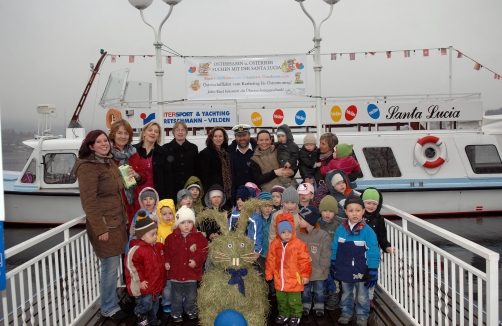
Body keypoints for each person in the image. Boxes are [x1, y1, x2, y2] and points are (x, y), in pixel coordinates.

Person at [73, 130, 128, 319]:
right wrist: (100, 229)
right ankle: (108, 307)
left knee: (113, 266)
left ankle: (112, 302)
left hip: (117, 222)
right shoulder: (88, 167)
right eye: (99, 141)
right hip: (106, 225)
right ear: (90, 146)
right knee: (110, 267)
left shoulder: (107, 161)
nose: (104, 144)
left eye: (106, 140)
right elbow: (88, 202)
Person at [330, 195, 380, 326]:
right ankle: (346, 313)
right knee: (346, 293)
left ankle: (362, 316)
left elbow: (373, 251)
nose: (354, 213)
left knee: (363, 296)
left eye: (358, 210)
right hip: (345, 269)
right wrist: (333, 262)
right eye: (351, 210)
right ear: (345, 212)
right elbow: (335, 247)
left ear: (363, 211)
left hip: (361, 270)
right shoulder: (341, 229)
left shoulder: (368, 231)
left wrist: (373, 269)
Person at [266, 213, 312, 326]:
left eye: (289, 232)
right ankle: (284, 313)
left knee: (294, 301)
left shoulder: (299, 245)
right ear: (278, 232)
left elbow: (305, 261)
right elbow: (270, 260)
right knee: (281, 299)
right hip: (279, 279)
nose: (287, 235)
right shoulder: (274, 244)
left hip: (294, 280)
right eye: (283, 232)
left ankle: (296, 315)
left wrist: (305, 275)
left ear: (293, 231)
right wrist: (269, 273)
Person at [164, 206, 208, 323]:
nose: (187, 225)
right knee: (177, 296)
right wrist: (167, 262)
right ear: (178, 223)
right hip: (176, 274)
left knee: (191, 296)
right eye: (183, 222)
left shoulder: (199, 237)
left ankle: (191, 310)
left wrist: (196, 260)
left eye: (189, 222)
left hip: (191, 273)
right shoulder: (170, 238)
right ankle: (176, 312)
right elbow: (166, 252)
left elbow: (203, 250)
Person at [125, 212, 166, 325]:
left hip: (155, 283)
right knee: (146, 304)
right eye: (152, 234)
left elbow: (159, 262)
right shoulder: (137, 249)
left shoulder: (156, 247)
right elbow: (131, 265)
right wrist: (140, 280)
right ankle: (140, 315)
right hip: (145, 284)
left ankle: (152, 320)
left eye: (155, 234)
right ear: (142, 236)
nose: (155, 237)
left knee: (154, 304)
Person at [109, 119, 147, 226]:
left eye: (126, 133)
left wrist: (137, 176)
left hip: (132, 201)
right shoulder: (107, 153)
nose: (123, 136)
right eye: (119, 133)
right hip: (116, 201)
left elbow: (144, 176)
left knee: (132, 233)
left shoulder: (134, 153)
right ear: (113, 134)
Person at [361, 187, 395, 308]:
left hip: (373, 253)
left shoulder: (379, 219)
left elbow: (382, 235)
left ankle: (369, 298)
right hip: (358, 251)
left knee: (371, 275)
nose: (371, 206)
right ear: (363, 203)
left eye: (374, 204)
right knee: (356, 274)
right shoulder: (358, 216)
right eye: (368, 203)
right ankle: (356, 297)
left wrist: (386, 246)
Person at [296, 205, 331, 317]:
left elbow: (326, 252)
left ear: (308, 220)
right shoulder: (297, 234)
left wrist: (324, 266)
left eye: (301, 219)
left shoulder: (323, 235)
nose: (298, 221)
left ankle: (319, 306)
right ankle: (306, 305)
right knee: (305, 290)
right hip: (303, 270)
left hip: (319, 269)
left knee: (319, 290)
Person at [134, 121, 173, 201]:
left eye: (156, 131)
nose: (153, 133)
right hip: (136, 195)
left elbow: (168, 179)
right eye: (150, 130)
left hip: (156, 196)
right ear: (144, 132)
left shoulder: (163, 152)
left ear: (158, 135)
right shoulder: (134, 150)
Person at [317, 195, 344, 311]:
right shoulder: (316, 223)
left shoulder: (338, 224)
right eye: (324, 211)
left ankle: (333, 295)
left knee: (333, 280)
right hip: (319, 258)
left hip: (333, 258)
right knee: (322, 279)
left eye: (331, 211)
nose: (327, 214)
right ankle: (323, 295)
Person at [163, 121, 198, 204]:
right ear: (173, 132)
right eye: (177, 130)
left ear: (186, 132)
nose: (180, 132)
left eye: (183, 130)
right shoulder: (165, 149)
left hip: (189, 188)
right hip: (171, 189)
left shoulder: (193, 148)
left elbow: (196, 168)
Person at [198, 127, 232, 207]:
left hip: (226, 191)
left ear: (224, 138)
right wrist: (208, 192)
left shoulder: (227, 153)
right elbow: (203, 176)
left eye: (220, 136)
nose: (218, 138)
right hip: (212, 193)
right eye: (215, 136)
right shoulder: (205, 153)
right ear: (211, 138)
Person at [156, 199, 176, 314]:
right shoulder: (159, 229)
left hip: (177, 259)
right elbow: (158, 245)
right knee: (167, 283)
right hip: (166, 260)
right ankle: (167, 301)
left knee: (178, 281)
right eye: (164, 214)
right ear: (160, 215)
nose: (168, 216)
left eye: (170, 213)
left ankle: (180, 299)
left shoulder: (177, 227)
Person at [228, 124, 257, 203]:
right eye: (239, 136)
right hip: (237, 197)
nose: (242, 138)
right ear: (235, 137)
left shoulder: (257, 151)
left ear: (249, 135)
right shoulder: (229, 153)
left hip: (255, 196)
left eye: (244, 135)